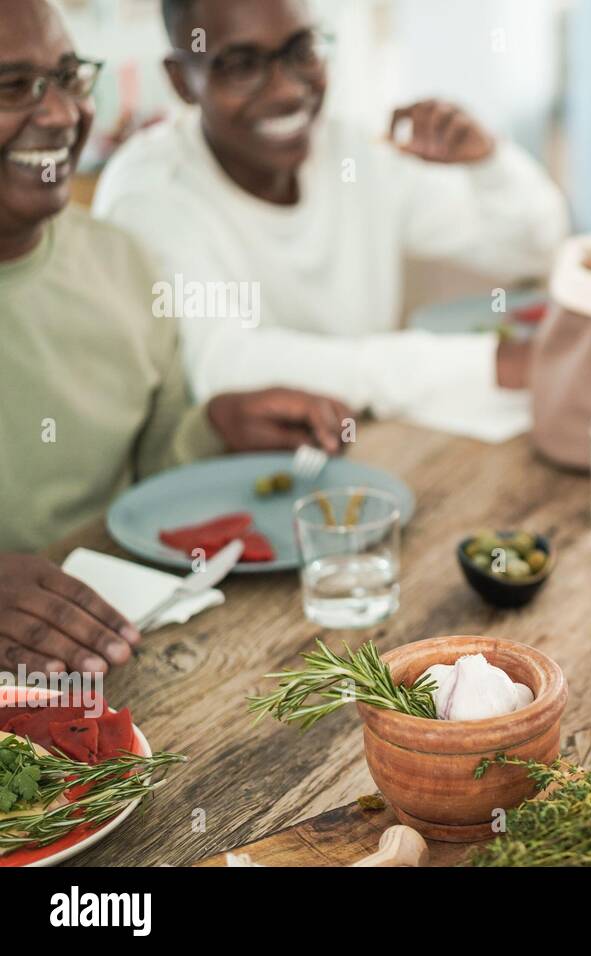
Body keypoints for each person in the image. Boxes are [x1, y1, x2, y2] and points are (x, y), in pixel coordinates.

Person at [0, 0, 351, 677]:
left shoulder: (121, 262)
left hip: (119, 659)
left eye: (69, 77)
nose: (62, 114)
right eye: (13, 87)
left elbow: (152, 478)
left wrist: (217, 426)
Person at [92, 0, 569, 414]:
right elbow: (226, 367)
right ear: (181, 81)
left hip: (363, 449)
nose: (286, 89)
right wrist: (480, 365)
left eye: (300, 51)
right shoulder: (150, 192)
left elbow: (532, 249)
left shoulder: (352, 151)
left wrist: (488, 164)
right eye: (241, 64)